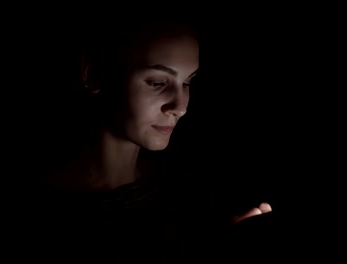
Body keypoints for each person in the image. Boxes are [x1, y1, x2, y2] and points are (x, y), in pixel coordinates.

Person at [34, 18, 272, 262]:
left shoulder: (189, 192)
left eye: (187, 82)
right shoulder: (42, 210)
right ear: (95, 73)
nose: (180, 107)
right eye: (157, 83)